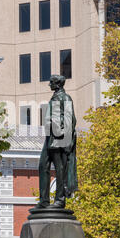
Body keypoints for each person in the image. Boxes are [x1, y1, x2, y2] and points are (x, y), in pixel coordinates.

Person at [36, 75, 78, 209]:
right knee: (43, 165)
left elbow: (71, 120)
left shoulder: (65, 98)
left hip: (59, 138)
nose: (49, 84)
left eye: (51, 82)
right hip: (50, 138)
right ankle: (44, 201)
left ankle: (60, 200)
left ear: (58, 84)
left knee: (60, 169)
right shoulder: (55, 97)